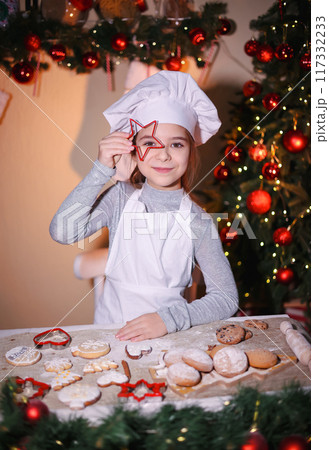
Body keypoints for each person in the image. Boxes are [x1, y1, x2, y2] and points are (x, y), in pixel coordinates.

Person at [49, 71, 239, 342]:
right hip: (110, 338)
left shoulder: (199, 221)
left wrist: (167, 319)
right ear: (135, 149)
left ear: (190, 151)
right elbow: (62, 231)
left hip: (169, 343)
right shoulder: (120, 199)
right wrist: (100, 170)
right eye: (150, 143)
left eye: (176, 144)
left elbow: (226, 298)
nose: (163, 154)